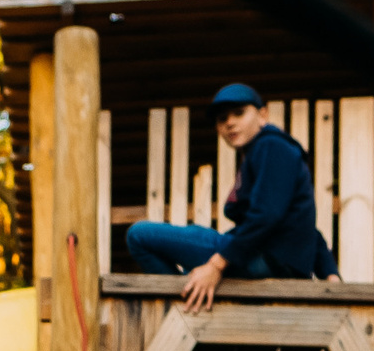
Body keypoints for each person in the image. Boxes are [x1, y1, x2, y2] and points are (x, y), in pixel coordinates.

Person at [125, 82, 339, 312]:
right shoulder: (269, 153)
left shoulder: (271, 146)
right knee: (194, 254)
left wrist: (216, 266)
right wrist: (331, 274)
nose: (230, 122)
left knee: (139, 235)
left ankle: (182, 308)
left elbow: (267, 215)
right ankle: (194, 294)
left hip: (263, 258)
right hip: (268, 259)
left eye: (239, 113)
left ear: (262, 114)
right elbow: (303, 226)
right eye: (221, 118)